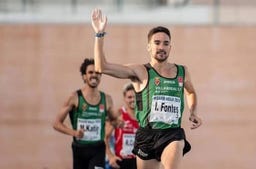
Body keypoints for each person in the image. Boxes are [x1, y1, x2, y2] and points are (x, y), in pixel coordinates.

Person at [91, 8, 203, 169]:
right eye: (157, 43)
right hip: (146, 134)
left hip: (172, 133)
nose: (161, 47)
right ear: (149, 47)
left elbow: (191, 91)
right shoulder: (140, 71)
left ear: (171, 47)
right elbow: (101, 67)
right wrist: (99, 35)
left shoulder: (182, 71)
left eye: (166, 43)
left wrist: (193, 111)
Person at [53, 58, 119, 169]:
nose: (94, 75)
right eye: (90, 72)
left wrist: (118, 123)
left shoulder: (107, 99)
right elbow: (56, 124)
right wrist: (74, 133)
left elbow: (115, 121)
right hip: (79, 149)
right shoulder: (75, 97)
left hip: (98, 148)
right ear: (84, 76)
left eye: (97, 72)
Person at [105, 83, 139, 169]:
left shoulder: (143, 116)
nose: (133, 100)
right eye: (129, 97)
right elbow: (104, 136)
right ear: (124, 98)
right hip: (122, 162)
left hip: (139, 162)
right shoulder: (119, 114)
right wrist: (110, 156)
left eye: (135, 97)